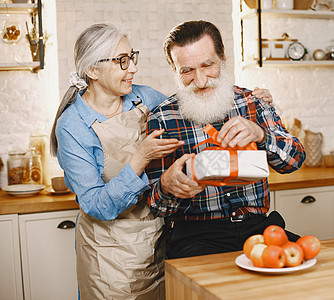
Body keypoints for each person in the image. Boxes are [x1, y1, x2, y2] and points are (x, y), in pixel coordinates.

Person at [49, 23, 274, 299]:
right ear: (92, 70)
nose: (132, 68)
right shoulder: (72, 126)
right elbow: (97, 205)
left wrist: (257, 102)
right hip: (110, 254)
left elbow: (196, 100)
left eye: (131, 57)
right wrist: (141, 157)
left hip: (158, 241)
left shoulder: (144, 97)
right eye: (122, 61)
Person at [146, 20, 306, 259]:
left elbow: (294, 161)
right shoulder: (162, 118)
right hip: (196, 236)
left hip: (259, 228)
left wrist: (261, 135)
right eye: (187, 71)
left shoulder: (253, 102)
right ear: (174, 70)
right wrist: (167, 186)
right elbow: (157, 206)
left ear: (222, 57)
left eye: (207, 65)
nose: (200, 81)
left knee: (305, 264)